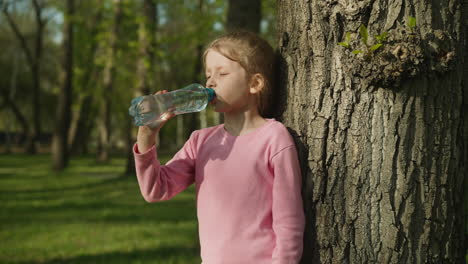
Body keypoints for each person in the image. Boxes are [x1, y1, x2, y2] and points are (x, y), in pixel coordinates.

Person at [133, 30, 305, 264]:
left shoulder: (274, 138)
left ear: (254, 83)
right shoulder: (200, 141)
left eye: (222, 73)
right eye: (208, 75)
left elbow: (289, 222)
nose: (210, 82)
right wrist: (147, 135)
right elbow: (156, 189)